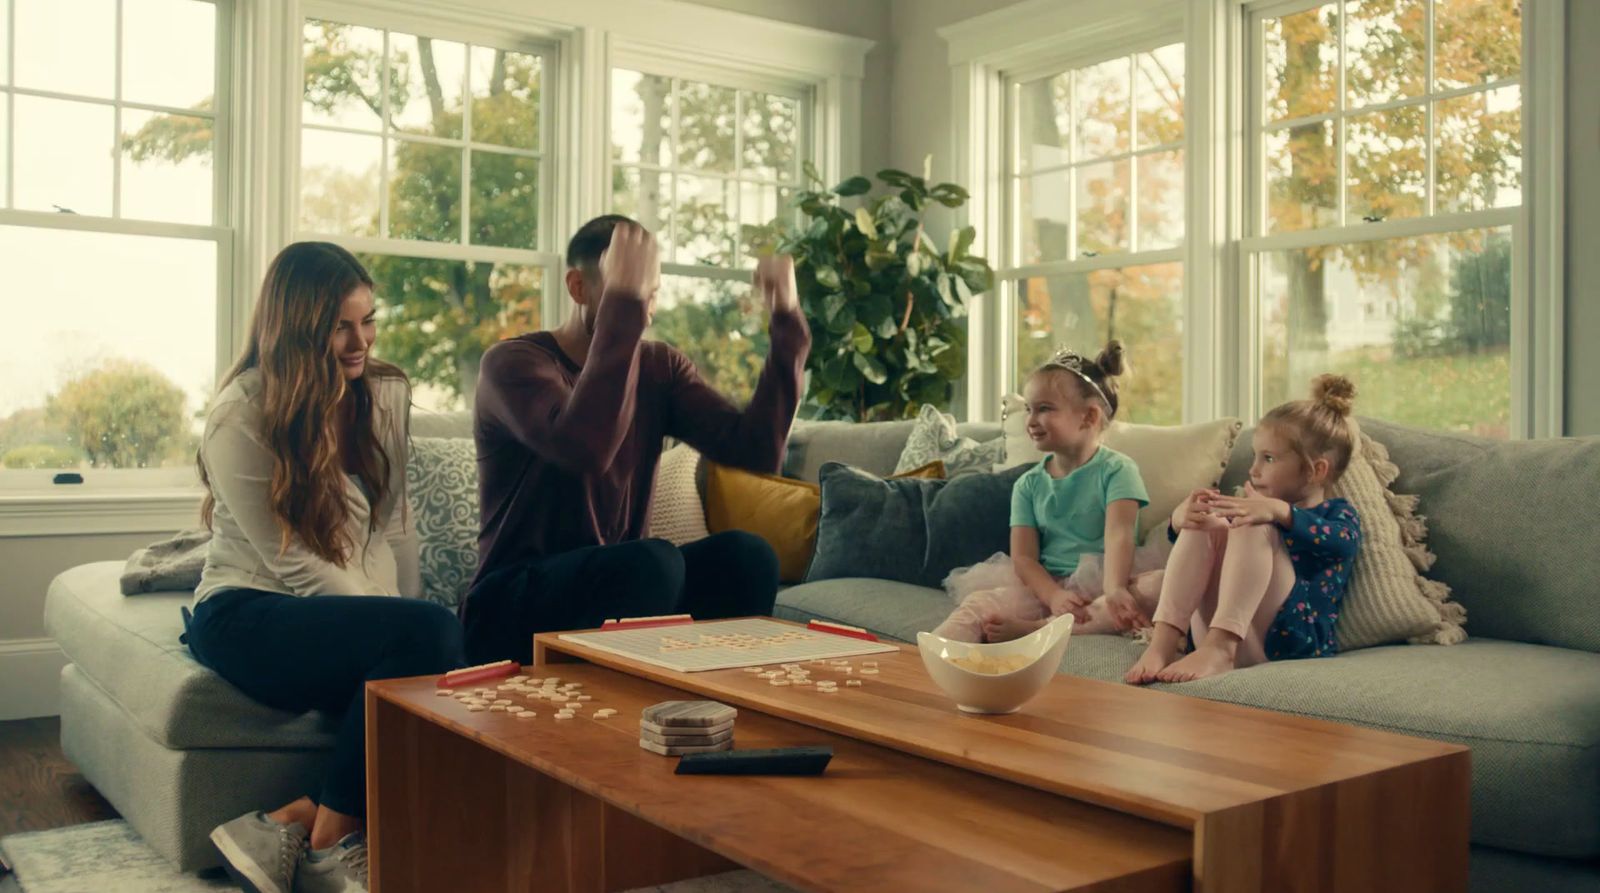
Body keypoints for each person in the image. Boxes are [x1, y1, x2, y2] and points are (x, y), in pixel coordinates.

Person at [185, 242, 464, 893]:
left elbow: (393, 537)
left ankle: (298, 816)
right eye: (342, 324)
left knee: (443, 650)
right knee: (426, 638)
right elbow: (299, 567)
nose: (360, 340)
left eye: (368, 320)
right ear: (299, 325)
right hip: (246, 611)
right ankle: (334, 842)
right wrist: (409, 632)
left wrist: (417, 631)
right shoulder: (239, 414)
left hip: (340, 607)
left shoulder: (382, 393)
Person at [461, 215, 811, 664]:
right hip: (507, 607)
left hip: (623, 587)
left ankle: (708, 713)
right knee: (650, 564)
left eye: (650, 291)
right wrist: (622, 304)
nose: (645, 309)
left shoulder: (659, 368)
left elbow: (757, 451)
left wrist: (786, 321)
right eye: (629, 290)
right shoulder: (512, 365)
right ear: (577, 287)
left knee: (747, 556)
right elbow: (586, 447)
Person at [1125, 374, 1363, 685]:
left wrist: (1277, 511)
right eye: (1255, 456)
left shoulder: (1337, 514)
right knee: (1208, 522)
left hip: (1284, 641)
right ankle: (1162, 645)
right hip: (1219, 628)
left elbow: (1342, 543)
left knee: (1252, 524)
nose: (1253, 470)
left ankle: (1221, 648)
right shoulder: (1250, 504)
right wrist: (1179, 520)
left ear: (1316, 470)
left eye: (1268, 458)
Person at [932, 342, 1160, 643]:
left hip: (1108, 583)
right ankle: (928, 659)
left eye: (1044, 409)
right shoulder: (1029, 484)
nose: (1030, 421)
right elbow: (1024, 558)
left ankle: (1038, 630)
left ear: (1089, 417)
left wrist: (1116, 587)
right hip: (1045, 586)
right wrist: (1053, 596)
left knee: (1159, 586)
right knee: (978, 606)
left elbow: (1120, 534)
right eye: (1029, 409)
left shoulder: (1118, 470)